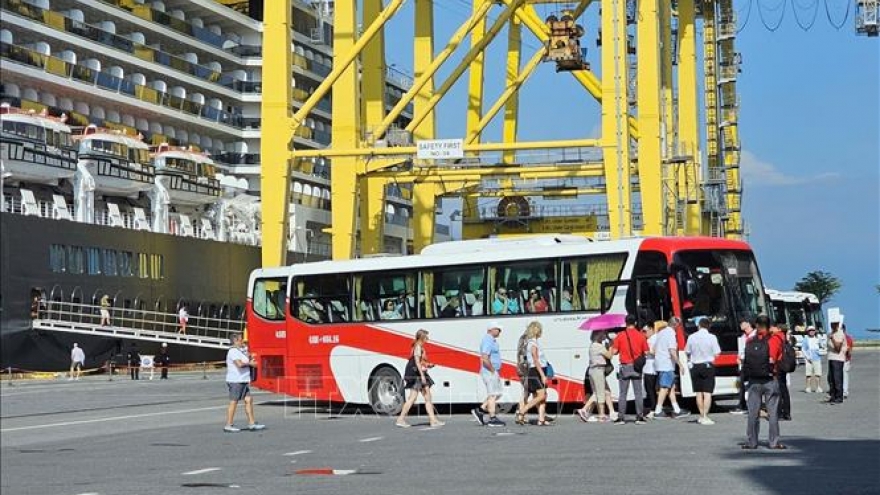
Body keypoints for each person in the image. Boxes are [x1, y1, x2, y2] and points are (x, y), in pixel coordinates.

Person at [742, 315, 785, 450]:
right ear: (769, 325)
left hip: (754, 379)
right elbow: (776, 358)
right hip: (770, 379)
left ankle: (752, 442)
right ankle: (773, 442)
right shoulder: (775, 339)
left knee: (753, 412)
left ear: (756, 325)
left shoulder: (750, 341)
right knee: (772, 412)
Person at [396, 329, 444, 428]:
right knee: (413, 398)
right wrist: (422, 375)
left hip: (418, 372)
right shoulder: (418, 347)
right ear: (422, 338)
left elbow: (420, 362)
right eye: (426, 337)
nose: (428, 339)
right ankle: (400, 419)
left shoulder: (419, 347)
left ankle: (433, 420)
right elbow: (417, 362)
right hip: (416, 374)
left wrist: (428, 365)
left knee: (427, 397)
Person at [611, 314, 649, 425]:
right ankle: (639, 417)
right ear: (635, 323)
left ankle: (621, 417)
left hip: (625, 367)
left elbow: (614, 352)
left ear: (626, 323)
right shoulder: (641, 336)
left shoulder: (620, 335)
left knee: (623, 393)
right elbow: (646, 352)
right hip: (637, 367)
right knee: (638, 393)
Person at [223, 333, 265, 432]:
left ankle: (252, 423)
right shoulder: (233, 351)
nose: (243, 341)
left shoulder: (241, 350)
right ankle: (228, 424)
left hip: (243, 379)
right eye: (241, 340)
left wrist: (250, 358)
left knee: (249, 400)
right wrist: (250, 363)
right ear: (236, 341)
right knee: (234, 402)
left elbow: (248, 359)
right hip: (236, 380)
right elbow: (239, 364)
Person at [685, 317, 721, 425]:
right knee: (708, 392)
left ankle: (701, 415)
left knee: (698, 392)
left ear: (699, 326)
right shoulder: (712, 337)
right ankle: (706, 415)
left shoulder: (691, 337)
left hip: (695, 365)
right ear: (708, 326)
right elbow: (717, 352)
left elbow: (687, 351)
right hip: (708, 365)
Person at [652, 317, 689, 419]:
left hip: (660, 362)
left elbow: (654, 348)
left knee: (671, 388)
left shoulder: (661, 332)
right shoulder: (671, 334)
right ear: (676, 325)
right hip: (667, 364)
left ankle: (676, 409)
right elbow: (672, 351)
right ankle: (658, 410)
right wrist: (680, 364)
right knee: (664, 388)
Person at [471, 322, 506, 427]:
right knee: (493, 394)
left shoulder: (491, 340)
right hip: (489, 371)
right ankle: (492, 418)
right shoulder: (488, 339)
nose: (500, 331)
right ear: (491, 329)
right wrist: (492, 370)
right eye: (498, 329)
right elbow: (485, 357)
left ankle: (480, 410)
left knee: (498, 393)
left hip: (492, 370)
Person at [516, 321, 550, 426]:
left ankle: (541, 419)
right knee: (542, 395)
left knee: (542, 395)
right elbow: (535, 360)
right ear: (537, 330)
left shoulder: (532, 342)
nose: (541, 331)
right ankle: (522, 410)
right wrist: (543, 375)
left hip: (537, 370)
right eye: (540, 329)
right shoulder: (533, 343)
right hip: (536, 371)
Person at [577, 331, 615, 422]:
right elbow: (609, 356)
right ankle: (592, 412)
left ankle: (610, 412)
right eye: (602, 334)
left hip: (594, 370)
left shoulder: (592, 345)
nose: (604, 336)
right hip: (598, 370)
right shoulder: (598, 346)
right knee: (599, 393)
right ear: (597, 336)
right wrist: (611, 345)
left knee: (606, 391)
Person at [731, 319, 756, 414]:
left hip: (752, 363)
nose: (740, 325)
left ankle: (751, 405)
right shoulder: (742, 337)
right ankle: (743, 405)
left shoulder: (755, 335)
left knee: (752, 385)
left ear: (749, 324)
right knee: (743, 385)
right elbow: (741, 351)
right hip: (743, 364)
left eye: (743, 323)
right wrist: (739, 358)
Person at [772, 325, 792, 421]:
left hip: (778, 366)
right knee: (784, 390)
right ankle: (787, 413)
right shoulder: (785, 338)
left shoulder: (776, 337)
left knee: (778, 390)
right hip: (785, 365)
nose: (772, 328)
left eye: (774, 327)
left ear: (779, 329)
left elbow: (773, 354)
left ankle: (779, 413)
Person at [825, 321, 847, 404]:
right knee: (831, 378)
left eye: (834, 324)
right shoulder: (831, 333)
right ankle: (833, 395)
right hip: (831, 358)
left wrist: (832, 338)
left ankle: (839, 397)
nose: (832, 326)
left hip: (838, 358)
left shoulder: (840, 333)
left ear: (838, 325)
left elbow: (837, 348)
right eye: (831, 324)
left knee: (837, 378)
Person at [642, 323, 658, 418]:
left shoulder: (655, 339)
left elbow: (657, 352)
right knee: (648, 389)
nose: (644, 333)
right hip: (647, 367)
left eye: (645, 331)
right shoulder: (648, 339)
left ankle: (653, 408)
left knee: (650, 389)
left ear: (651, 329)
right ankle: (651, 407)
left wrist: (648, 351)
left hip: (652, 367)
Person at [801, 326, 823, 393]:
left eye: (813, 330)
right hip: (809, 359)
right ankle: (808, 387)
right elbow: (803, 349)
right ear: (808, 331)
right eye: (810, 330)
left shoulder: (817, 338)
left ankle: (818, 387)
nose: (812, 331)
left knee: (818, 373)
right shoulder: (805, 339)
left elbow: (822, 346)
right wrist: (807, 357)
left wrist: (821, 348)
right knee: (808, 374)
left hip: (817, 357)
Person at [843, 324, 853, 399]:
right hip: (838, 360)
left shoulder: (848, 338)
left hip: (845, 360)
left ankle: (845, 391)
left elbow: (849, 350)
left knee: (845, 375)